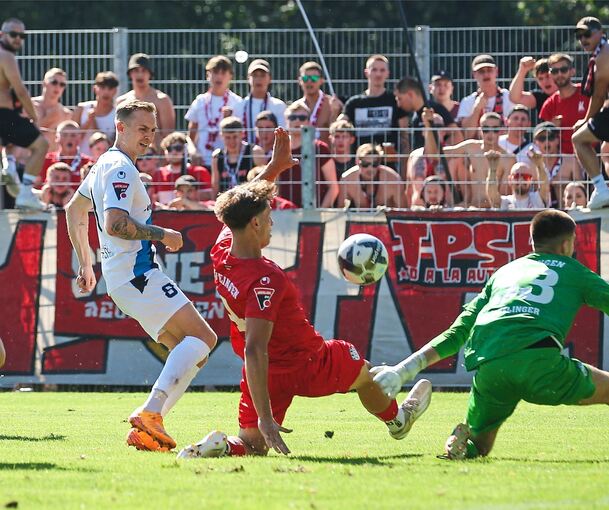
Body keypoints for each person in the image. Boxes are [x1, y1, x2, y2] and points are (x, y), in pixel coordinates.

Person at [176, 127, 432, 459]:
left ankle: (221, 446)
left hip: (266, 374)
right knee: (366, 376)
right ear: (254, 224)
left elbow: (241, 205)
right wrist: (267, 419)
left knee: (252, 447)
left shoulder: (222, 248)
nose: (272, 223)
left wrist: (273, 168)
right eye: (268, 219)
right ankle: (399, 420)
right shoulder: (267, 279)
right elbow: (256, 348)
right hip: (308, 361)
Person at [373, 209, 609, 460]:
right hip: (539, 363)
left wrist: (403, 370)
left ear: (532, 242)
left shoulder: (504, 273)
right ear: (566, 244)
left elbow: (457, 333)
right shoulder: (574, 270)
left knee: (480, 447)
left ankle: (461, 442)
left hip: (490, 367)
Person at [64, 100, 217, 452]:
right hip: (138, 275)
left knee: (193, 350)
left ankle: (148, 426)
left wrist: (87, 264)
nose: (149, 136)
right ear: (121, 127)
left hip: (124, 279)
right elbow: (117, 224)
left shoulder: (104, 163)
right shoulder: (120, 168)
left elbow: (75, 210)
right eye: (141, 129)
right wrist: (163, 234)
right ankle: (150, 414)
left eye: (152, 129)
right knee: (204, 339)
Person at [0, 18, 50, 211]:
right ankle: (26, 193)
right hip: (3, 115)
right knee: (41, 145)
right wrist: (33, 116)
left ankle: (9, 166)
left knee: (9, 140)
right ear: (2, 34)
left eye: (22, 36)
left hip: (6, 116)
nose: (17, 39)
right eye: (13, 34)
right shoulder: (7, 56)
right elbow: (20, 90)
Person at [572, 17, 609, 209]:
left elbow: (599, 94)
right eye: (579, 36)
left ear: (600, 33)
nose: (583, 39)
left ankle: (601, 190)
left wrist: (586, 121)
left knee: (579, 139)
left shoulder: (603, 55)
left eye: (587, 34)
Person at [443, 112, 516, 208]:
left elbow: (501, 199)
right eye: (486, 129)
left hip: (493, 212)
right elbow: (439, 154)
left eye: (495, 129)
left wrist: (468, 206)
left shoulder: (508, 159)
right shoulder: (471, 147)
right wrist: (429, 127)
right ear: (479, 130)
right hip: (471, 208)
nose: (490, 134)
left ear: (501, 131)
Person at [341, 55, 409, 153]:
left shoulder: (396, 100)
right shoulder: (353, 103)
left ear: (387, 74)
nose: (378, 74)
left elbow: (404, 136)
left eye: (382, 70)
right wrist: (335, 112)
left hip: (389, 161)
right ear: (366, 73)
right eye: (374, 70)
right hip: (361, 162)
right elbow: (339, 126)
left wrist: (404, 165)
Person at [277, 102, 339, 208]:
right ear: (286, 121)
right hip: (286, 215)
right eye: (292, 117)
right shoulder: (279, 150)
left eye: (302, 117)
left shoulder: (320, 148)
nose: (297, 120)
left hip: (316, 214)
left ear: (309, 122)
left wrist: (320, 212)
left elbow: (333, 188)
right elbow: (274, 188)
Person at [186, 55, 241, 167]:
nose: (219, 77)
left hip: (227, 162)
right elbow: (190, 134)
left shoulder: (237, 102)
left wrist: (230, 121)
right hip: (202, 161)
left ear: (230, 76)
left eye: (223, 73)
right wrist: (192, 151)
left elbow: (241, 135)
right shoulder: (200, 101)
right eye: (215, 72)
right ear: (208, 75)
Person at [117, 53, 176, 148]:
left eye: (144, 70)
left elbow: (168, 138)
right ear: (130, 74)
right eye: (136, 70)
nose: (140, 74)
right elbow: (118, 135)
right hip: (128, 156)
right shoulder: (121, 102)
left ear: (150, 74)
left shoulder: (162, 100)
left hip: (155, 157)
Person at [406, 110, 462, 207]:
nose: (433, 130)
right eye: (429, 126)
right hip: (418, 213)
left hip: (446, 212)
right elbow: (409, 190)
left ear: (444, 131)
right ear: (423, 131)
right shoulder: (414, 155)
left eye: (437, 127)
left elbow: (466, 190)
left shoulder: (455, 156)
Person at [539, 53, 589, 155]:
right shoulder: (549, 104)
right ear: (550, 74)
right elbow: (542, 138)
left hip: (592, 154)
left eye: (564, 70)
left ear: (572, 71)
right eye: (555, 71)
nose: (559, 74)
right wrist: (552, 129)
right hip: (563, 159)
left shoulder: (587, 93)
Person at [394, 77, 461, 151]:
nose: (399, 104)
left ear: (410, 94)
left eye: (400, 98)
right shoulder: (415, 116)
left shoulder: (435, 109)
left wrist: (440, 152)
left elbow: (457, 135)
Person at [457, 54, 515, 139]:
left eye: (489, 70)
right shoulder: (467, 101)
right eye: (481, 71)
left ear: (496, 71)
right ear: (474, 75)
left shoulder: (509, 97)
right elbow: (466, 135)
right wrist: (476, 109)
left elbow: (516, 132)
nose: (486, 74)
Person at [232, 59, 286, 144]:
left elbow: (282, 134)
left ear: (270, 78)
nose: (258, 79)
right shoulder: (239, 106)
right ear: (248, 78)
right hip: (246, 155)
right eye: (255, 75)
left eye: (262, 75)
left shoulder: (279, 106)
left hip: (272, 154)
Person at [337, 143, 405, 208]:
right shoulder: (347, 179)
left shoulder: (393, 180)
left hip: (386, 218)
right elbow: (340, 210)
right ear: (357, 162)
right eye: (365, 164)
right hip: (359, 217)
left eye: (374, 164)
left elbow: (403, 211)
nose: (370, 168)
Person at [533, 121, 582, 208]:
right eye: (542, 138)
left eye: (550, 137)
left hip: (567, 211)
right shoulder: (531, 164)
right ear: (535, 142)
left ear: (558, 140)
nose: (546, 142)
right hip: (539, 211)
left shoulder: (571, 161)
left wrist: (564, 185)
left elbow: (582, 190)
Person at [154, 131, 211, 204]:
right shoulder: (159, 174)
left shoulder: (200, 172)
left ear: (186, 150)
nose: (174, 152)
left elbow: (209, 197)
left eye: (178, 148)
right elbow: (154, 202)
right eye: (169, 149)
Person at [72, 71, 119, 154]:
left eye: (110, 88)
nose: (106, 92)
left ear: (115, 91)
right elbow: (71, 139)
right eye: (102, 87)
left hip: (104, 163)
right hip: (80, 162)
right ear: (95, 89)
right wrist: (88, 122)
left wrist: (93, 122)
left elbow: (114, 146)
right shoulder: (81, 109)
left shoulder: (117, 115)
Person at [39, 120, 93, 187]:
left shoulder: (88, 163)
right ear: (57, 137)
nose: (69, 138)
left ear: (79, 138)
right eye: (65, 135)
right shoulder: (46, 160)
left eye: (73, 135)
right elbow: (38, 186)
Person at [295, 61, 338, 144]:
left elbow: (337, 134)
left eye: (314, 78)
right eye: (305, 78)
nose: (309, 82)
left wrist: (335, 114)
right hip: (302, 154)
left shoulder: (331, 105)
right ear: (300, 81)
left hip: (325, 154)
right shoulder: (295, 107)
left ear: (321, 80)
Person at [211, 116, 254, 195]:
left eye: (235, 137)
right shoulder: (217, 156)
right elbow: (215, 185)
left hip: (250, 200)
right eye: (227, 137)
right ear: (221, 136)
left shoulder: (254, 152)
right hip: (226, 201)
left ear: (242, 134)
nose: (232, 141)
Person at [32, 68, 72, 152]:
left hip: (53, 160)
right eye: (54, 82)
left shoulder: (66, 114)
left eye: (62, 84)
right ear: (44, 83)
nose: (58, 87)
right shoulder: (29, 105)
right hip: (29, 157)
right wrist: (48, 120)